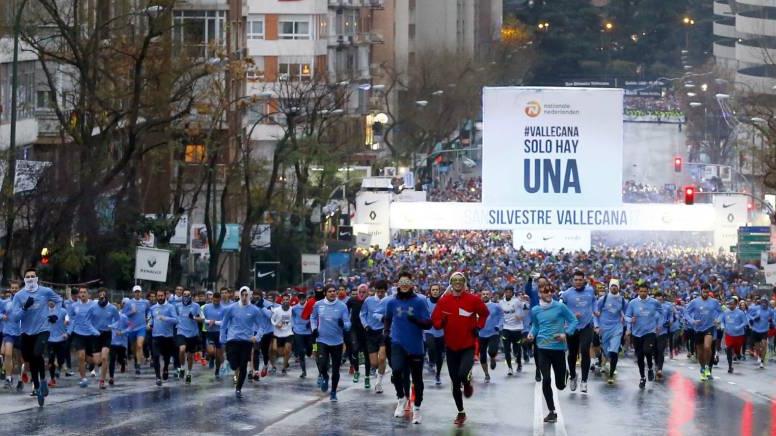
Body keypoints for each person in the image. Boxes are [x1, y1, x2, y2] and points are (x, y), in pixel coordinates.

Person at [431, 272, 489, 427]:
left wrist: (479, 326)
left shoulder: (473, 300)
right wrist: (440, 323)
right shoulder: (444, 301)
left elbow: (484, 313)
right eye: (454, 280)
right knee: (455, 382)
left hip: (467, 346)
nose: (458, 283)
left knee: (463, 374)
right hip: (450, 347)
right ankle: (461, 412)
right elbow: (435, 320)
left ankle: (468, 382)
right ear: (451, 283)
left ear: (464, 283)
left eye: (460, 280)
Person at [527, 277, 578, 424]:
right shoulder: (535, 310)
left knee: (560, 386)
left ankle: (566, 375)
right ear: (539, 293)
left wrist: (566, 333)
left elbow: (573, 320)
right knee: (546, 380)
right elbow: (536, 326)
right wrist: (531, 334)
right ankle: (551, 411)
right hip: (542, 347)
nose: (549, 293)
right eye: (545, 291)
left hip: (558, 349)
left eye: (551, 290)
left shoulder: (560, 307)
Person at [11, 268, 62, 406]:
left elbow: (59, 300)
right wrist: (24, 308)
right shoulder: (19, 296)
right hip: (26, 332)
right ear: (25, 280)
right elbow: (15, 318)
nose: (30, 278)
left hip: (43, 329)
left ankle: (43, 380)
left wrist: (55, 313)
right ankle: (38, 386)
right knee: (30, 359)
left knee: (37, 353)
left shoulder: (45, 291)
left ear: (37, 278)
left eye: (33, 276)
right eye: (28, 277)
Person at [384, 271, 430, 424]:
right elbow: (388, 318)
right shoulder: (391, 302)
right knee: (396, 371)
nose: (404, 285)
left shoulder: (420, 301)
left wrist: (416, 320)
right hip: (398, 342)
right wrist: (386, 332)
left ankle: (417, 408)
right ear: (397, 284)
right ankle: (401, 398)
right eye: (401, 282)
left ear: (411, 284)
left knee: (417, 379)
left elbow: (428, 323)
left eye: (407, 282)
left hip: (416, 346)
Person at [220, 286, 268, 398]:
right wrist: (223, 338)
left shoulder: (254, 310)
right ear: (240, 295)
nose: (245, 297)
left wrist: (257, 337)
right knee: (233, 364)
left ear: (250, 296)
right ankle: (232, 370)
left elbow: (262, 326)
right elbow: (224, 324)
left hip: (246, 341)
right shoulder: (231, 308)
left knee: (243, 365)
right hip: (232, 339)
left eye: (247, 295)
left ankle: (238, 388)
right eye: (243, 294)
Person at [310, 285, 351, 402]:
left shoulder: (342, 306)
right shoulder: (318, 305)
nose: (333, 293)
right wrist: (314, 328)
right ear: (325, 293)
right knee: (322, 363)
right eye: (330, 291)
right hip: (321, 339)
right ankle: (324, 376)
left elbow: (348, 323)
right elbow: (312, 318)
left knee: (336, 369)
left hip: (337, 341)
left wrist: (344, 325)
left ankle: (333, 392)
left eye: (334, 291)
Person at [559, 270, 597, 394]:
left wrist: (595, 311)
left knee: (585, 350)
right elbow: (561, 310)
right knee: (572, 353)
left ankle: (584, 381)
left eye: (580, 280)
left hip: (587, 325)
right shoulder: (566, 294)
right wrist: (571, 315)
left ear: (584, 280)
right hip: (572, 326)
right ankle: (573, 376)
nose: (578, 282)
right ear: (572, 281)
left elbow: (594, 302)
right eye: (576, 280)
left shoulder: (590, 290)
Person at [625, 282, 663, 389]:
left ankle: (650, 368)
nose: (643, 293)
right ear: (638, 291)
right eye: (641, 291)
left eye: (645, 291)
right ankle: (642, 377)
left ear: (648, 292)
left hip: (650, 331)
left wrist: (658, 324)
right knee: (640, 357)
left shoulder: (654, 302)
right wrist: (630, 320)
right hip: (637, 333)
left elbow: (660, 312)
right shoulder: (632, 303)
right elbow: (627, 315)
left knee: (647, 351)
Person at [684, 284, 723, 380]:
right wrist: (692, 321)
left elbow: (721, 312)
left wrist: (718, 320)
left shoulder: (714, 302)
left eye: (707, 292)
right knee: (700, 353)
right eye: (703, 291)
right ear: (701, 291)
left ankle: (707, 367)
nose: (705, 293)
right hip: (698, 329)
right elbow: (686, 312)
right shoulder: (694, 302)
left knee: (707, 347)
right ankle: (702, 367)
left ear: (709, 292)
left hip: (709, 328)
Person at [360, 280, 389, 393]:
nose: (380, 294)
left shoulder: (389, 301)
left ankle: (378, 383)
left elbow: (392, 315)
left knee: (382, 358)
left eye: (382, 291)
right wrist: (366, 325)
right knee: (374, 363)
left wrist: (383, 318)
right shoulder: (368, 300)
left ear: (385, 291)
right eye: (378, 291)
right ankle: (379, 370)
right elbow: (362, 314)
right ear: (375, 291)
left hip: (383, 332)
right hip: (370, 333)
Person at [595, 279, 626, 384]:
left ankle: (611, 374)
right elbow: (594, 313)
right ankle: (605, 361)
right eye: (612, 286)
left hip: (617, 328)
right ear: (609, 287)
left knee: (614, 351)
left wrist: (626, 321)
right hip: (604, 329)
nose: (614, 288)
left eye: (615, 286)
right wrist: (596, 326)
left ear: (618, 288)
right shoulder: (602, 300)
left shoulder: (622, 300)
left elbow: (628, 314)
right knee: (606, 351)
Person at [67, 286, 99, 389]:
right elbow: (70, 317)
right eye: (81, 292)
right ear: (78, 295)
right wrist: (68, 327)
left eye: (84, 292)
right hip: (78, 334)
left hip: (91, 335)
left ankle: (91, 366)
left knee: (92, 360)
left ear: (88, 294)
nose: (82, 294)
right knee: (81, 356)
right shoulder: (74, 305)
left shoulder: (94, 305)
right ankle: (83, 378)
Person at [149, 289, 178, 387]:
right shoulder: (153, 308)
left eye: (162, 296)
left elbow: (176, 320)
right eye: (158, 296)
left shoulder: (170, 307)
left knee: (166, 357)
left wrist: (165, 318)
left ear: (165, 296)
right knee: (156, 356)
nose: (160, 297)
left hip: (168, 336)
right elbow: (151, 319)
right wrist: (149, 324)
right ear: (156, 296)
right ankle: (158, 377)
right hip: (156, 336)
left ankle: (165, 368)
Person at [92, 288, 119, 389]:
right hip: (96, 335)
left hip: (107, 334)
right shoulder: (93, 307)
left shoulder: (112, 308)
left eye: (104, 296)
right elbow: (88, 319)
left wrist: (112, 325)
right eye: (100, 296)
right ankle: (101, 367)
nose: (102, 298)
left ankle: (102, 381)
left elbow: (118, 320)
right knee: (97, 361)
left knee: (104, 358)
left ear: (107, 297)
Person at [499, 285, 527, 375]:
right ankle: (510, 368)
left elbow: (526, 308)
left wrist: (521, 316)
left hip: (517, 328)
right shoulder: (501, 303)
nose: (508, 293)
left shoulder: (517, 301)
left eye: (510, 292)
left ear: (512, 293)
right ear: (504, 292)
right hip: (506, 328)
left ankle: (519, 363)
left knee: (517, 350)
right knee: (507, 349)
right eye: (506, 292)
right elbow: (499, 314)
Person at [176, 289, 202, 384]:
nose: (186, 297)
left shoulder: (196, 306)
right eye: (184, 295)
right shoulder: (177, 306)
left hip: (192, 334)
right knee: (182, 349)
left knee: (190, 356)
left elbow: (202, 319)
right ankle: (182, 367)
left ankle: (189, 373)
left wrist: (194, 317)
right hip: (181, 332)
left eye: (188, 295)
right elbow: (174, 317)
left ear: (191, 296)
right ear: (182, 296)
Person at [1, 281, 23, 391]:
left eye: (16, 288)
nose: (14, 289)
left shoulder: (23, 302)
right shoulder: (5, 302)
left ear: (19, 289)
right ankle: (8, 378)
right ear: (10, 289)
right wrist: (2, 316)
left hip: (20, 333)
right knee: (8, 354)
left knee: (18, 359)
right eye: (12, 288)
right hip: (8, 332)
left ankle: (20, 379)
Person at [347, 284, 370, 387]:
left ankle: (367, 377)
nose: (361, 294)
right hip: (354, 329)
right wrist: (345, 321)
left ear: (367, 292)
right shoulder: (352, 300)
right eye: (360, 291)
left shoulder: (369, 301)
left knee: (366, 353)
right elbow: (344, 310)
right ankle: (356, 371)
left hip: (366, 329)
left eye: (364, 292)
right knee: (355, 350)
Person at [478, 289, 503, 383]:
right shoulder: (477, 306)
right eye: (483, 294)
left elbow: (502, 317)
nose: (485, 295)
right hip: (481, 333)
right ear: (481, 295)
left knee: (492, 351)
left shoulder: (496, 306)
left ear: (490, 295)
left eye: (487, 294)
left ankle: (492, 358)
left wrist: (498, 326)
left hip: (493, 332)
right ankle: (486, 374)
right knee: (482, 356)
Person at [124, 285, 150, 375]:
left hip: (141, 327)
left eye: (139, 292)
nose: (137, 293)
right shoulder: (129, 303)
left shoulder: (145, 302)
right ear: (133, 293)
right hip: (131, 328)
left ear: (141, 292)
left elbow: (149, 312)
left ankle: (138, 365)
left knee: (139, 345)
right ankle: (136, 359)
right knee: (133, 348)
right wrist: (131, 312)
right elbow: (123, 315)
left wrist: (148, 321)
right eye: (136, 292)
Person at [202, 291, 226, 380]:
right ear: (212, 299)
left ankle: (217, 370)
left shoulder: (224, 309)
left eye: (217, 301)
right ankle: (211, 357)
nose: (216, 302)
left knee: (219, 355)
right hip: (209, 333)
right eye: (214, 300)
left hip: (219, 333)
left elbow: (225, 322)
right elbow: (202, 319)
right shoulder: (206, 307)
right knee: (212, 352)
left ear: (220, 299)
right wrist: (209, 321)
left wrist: (215, 322)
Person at [424, 284, 445, 385]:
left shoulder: (443, 302)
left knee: (439, 356)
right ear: (430, 291)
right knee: (430, 345)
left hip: (441, 331)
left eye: (437, 290)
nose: (435, 291)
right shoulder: (426, 302)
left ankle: (438, 375)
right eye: (433, 290)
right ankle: (431, 361)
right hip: (428, 330)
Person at [720, 298, 747, 373]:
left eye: (731, 304)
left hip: (739, 335)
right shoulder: (725, 312)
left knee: (737, 350)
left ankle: (738, 354)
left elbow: (745, 322)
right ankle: (730, 366)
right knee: (728, 348)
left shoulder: (740, 313)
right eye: (729, 304)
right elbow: (722, 321)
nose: (730, 305)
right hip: (729, 334)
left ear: (736, 304)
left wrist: (739, 327)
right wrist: (722, 327)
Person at [46, 300, 69, 388]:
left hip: (61, 339)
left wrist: (67, 332)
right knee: (51, 359)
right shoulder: (44, 311)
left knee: (61, 360)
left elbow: (68, 320)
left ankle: (59, 366)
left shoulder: (62, 311)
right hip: (50, 339)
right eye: (49, 300)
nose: (51, 302)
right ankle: (52, 379)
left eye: (53, 300)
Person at [747, 296, 774, 369]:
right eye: (763, 302)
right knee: (757, 347)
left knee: (764, 345)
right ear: (761, 302)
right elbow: (748, 315)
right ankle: (759, 355)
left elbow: (773, 319)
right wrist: (753, 318)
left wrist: (772, 322)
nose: (764, 304)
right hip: (755, 330)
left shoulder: (770, 311)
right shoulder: (755, 308)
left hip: (764, 331)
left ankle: (762, 361)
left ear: (767, 303)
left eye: (765, 302)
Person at [107, 299, 130, 385]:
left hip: (122, 343)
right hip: (112, 342)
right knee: (112, 359)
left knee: (120, 359)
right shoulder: (109, 318)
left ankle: (123, 363)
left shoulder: (123, 317)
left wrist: (122, 332)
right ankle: (111, 377)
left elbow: (130, 327)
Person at [270, 294, 294, 375]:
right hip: (277, 334)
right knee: (275, 350)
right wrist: (276, 324)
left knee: (287, 349)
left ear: (289, 300)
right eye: (284, 300)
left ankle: (284, 367)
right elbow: (272, 319)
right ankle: (274, 365)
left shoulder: (292, 309)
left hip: (288, 333)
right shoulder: (277, 310)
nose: (286, 301)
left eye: (287, 299)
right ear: (281, 301)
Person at [291, 293, 313, 378]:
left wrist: (311, 323)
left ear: (306, 297)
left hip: (309, 332)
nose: (302, 299)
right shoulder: (294, 308)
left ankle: (311, 352)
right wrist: (293, 326)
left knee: (311, 349)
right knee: (301, 352)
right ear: (298, 298)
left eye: (303, 297)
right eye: (300, 297)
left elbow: (315, 317)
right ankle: (303, 371)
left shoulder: (311, 306)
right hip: (298, 331)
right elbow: (292, 317)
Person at [654, 291, 674, 380]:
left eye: (660, 297)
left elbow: (671, 316)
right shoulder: (651, 306)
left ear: (663, 297)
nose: (659, 299)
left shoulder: (668, 306)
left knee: (661, 350)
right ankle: (656, 364)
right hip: (652, 332)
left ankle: (659, 370)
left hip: (663, 331)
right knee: (655, 351)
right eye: (657, 297)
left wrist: (670, 321)